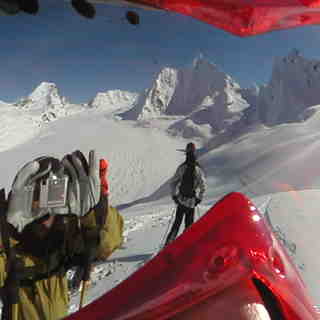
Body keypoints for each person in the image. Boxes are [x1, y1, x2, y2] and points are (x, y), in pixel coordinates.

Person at [0, 150, 123, 320]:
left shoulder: (63, 234)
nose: (46, 212)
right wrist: (6, 232)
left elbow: (108, 244)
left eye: (55, 198)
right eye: (38, 198)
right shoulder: (11, 246)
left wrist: (94, 214)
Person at [165, 142, 206, 246]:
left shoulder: (182, 167)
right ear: (194, 152)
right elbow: (203, 185)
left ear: (186, 152)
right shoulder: (198, 169)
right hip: (191, 201)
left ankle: (168, 244)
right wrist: (199, 198)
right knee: (189, 225)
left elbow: (173, 182)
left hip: (181, 199)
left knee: (176, 224)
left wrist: (174, 195)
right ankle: (187, 245)